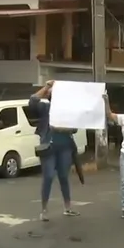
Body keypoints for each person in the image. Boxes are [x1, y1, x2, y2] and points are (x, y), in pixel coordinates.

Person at [30, 80, 81, 222]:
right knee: (48, 177)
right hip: (48, 146)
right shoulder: (45, 109)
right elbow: (33, 100)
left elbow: (75, 128)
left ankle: (68, 207)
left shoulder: (69, 111)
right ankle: (44, 209)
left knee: (64, 176)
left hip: (65, 146)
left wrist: (62, 129)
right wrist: (46, 86)